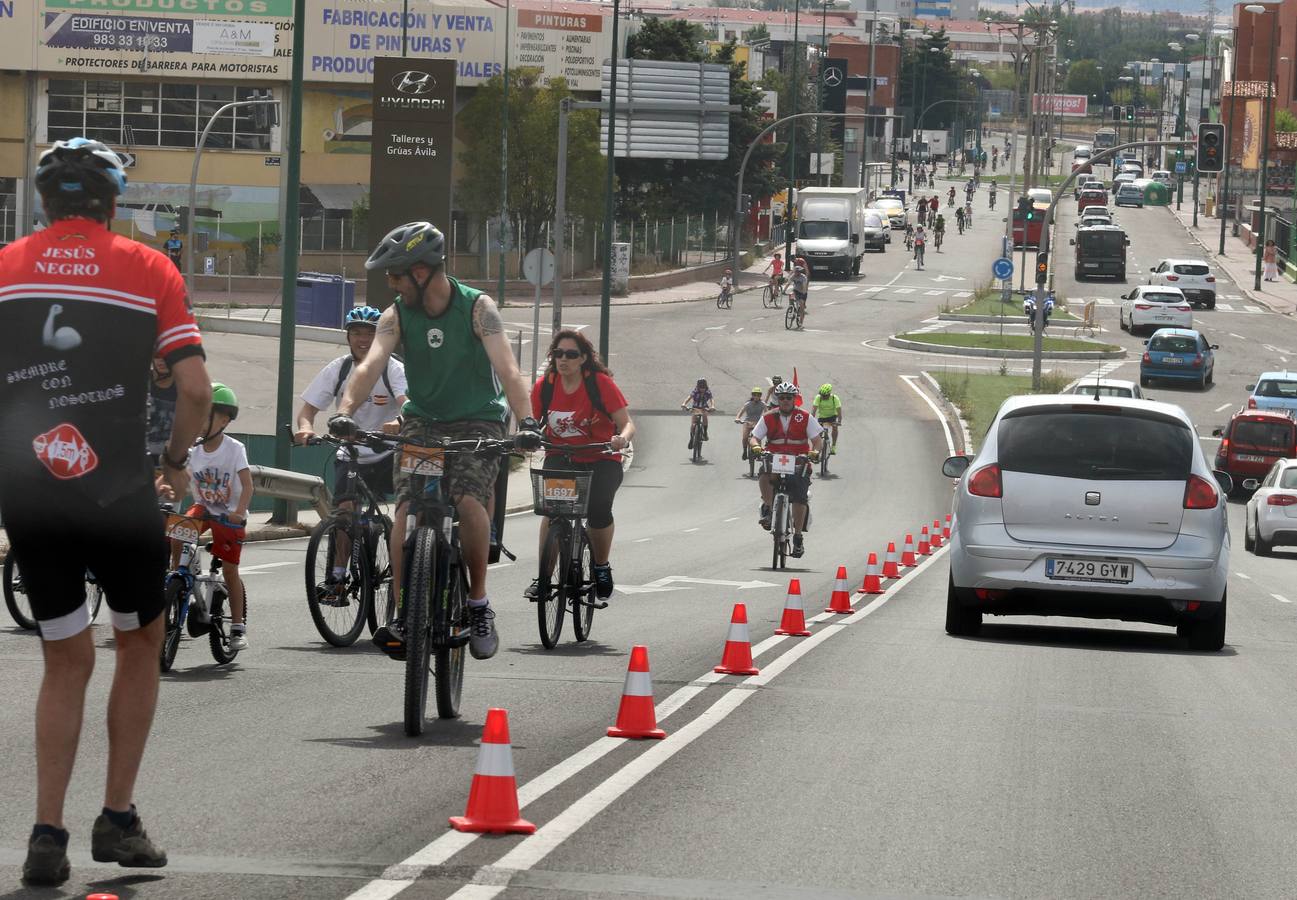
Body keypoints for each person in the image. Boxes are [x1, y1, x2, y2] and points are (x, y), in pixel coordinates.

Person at [1, 137, 210, 886]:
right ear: (112, 204)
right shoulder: (148, 267)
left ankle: (45, 835)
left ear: (44, 204)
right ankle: (118, 819)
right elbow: (193, 390)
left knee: (64, 656)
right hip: (117, 488)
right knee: (138, 637)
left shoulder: (4, 266)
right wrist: (177, 461)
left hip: (28, 490)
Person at [329, 221, 539, 661]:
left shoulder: (478, 309)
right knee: (405, 509)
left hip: (477, 422)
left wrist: (529, 422)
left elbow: (509, 370)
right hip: (423, 422)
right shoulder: (397, 314)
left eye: (396, 275)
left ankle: (479, 604)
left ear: (421, 272)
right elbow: (370, 366)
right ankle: (405, 613)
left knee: (467, 500)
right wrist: (346, 411)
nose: (391, 284)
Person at [295, 305, 408, 597]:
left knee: (407, 509)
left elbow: (406, 402)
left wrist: (398, 421)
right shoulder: (339, 368)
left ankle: (406, 567)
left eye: (370, 333)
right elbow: (307, 409)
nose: (363, 339)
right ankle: (338, 578)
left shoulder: (393, 368)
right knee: (344, 515)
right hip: (351, 452)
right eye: (356, 333)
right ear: (348, 337)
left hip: (387, 453)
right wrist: (306, 428)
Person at [529, 329, 634, 600]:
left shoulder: (599, 383)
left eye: (571, 354)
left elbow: (626, 423)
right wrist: (524, 437)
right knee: (551, 511)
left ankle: (600, 566)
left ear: (584, 358)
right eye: (558, 353)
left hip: (600, 457)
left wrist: (621, 439)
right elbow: (530, 421)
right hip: (561, 455)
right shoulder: (546, 386)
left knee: (599, 510)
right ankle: (543, 578)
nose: (563, 359)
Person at [172, 383, 251, 649]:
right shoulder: (193, 450)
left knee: (230, 569)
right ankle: (179, 578)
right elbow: (178, 480)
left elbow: (248, 485)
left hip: (228, 514)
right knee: (178, 530)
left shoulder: (234, 448)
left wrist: (239, 512)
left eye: (207, 414)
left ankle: (238, 627)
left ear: (225, 419)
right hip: (204, 509)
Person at [749, 383, 824, 558]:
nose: (785, 401)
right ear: (777, 399)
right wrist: (756, 447)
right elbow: (755, 437)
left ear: (794, 399)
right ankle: (768, 509)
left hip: (799, 460)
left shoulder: (805, 417)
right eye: (781, 398)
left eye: (788, 398)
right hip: (774, 457)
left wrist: (815, 452)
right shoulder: (768, 417)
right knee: (764, 472)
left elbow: (818, 441)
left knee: (799, 496)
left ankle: (798, 537)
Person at [146, 355, 178, 469]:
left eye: (167, 354)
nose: (161, 359)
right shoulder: (139, 382)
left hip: (170, 463)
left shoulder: (184, 388)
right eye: (157, 354)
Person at [681, 378, 714, 448]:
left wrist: (712, 406)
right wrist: (684, 404)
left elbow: (711, 399)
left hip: (704, 407)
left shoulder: (708, 391)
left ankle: (705, 433)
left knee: (705, 416)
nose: (702, 389)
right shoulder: (695, 391)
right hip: (695, 407)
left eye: (703, 388)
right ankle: (691, 438)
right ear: (698, 387)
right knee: (693, 424)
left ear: (706, 387)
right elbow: (689, 397)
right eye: (701, 388)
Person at [735, 387, 766, 460]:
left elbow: (766, 412)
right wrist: (737, 418)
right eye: (754, 395)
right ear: (752, 395)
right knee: (745, 437)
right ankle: (745, 451)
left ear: (760, 396)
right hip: (747, 422)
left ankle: (758, 452)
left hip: (757, 423)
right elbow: (741, 411)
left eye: (758, 395)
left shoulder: (762, 404)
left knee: (758, 438)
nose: (756, 397)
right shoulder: (748, 404)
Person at [811, 383, 843, 454]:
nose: (822, 397)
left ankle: (833, 446)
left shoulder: (835, 398)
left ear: (829, 394)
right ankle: (814, 452)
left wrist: (839, 421)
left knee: (835, 428)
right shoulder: (818, 398)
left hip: (832, 417)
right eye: (821, 395)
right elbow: (813, 411)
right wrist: (811, 420)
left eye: (824, 396)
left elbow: (839, 411)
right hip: (822, 417)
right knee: (818, 433)